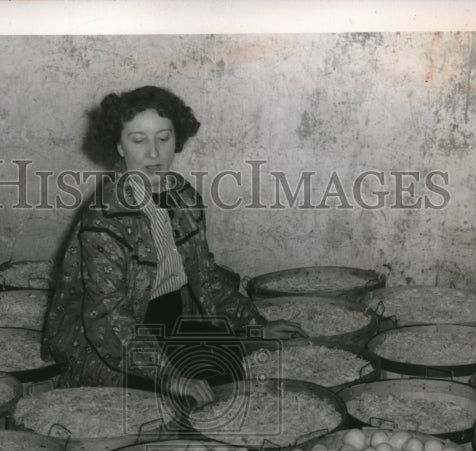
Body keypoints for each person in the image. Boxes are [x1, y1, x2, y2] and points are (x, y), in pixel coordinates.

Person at [42, 85, 305, 409]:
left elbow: (205, 276)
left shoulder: (183, 198)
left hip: (176, 317)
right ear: (119, 146)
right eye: (138, 140)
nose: (153, 153)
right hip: (116, 344)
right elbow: (108, 319)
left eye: (163, 138)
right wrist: (171, 377)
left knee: (230, 381)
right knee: (175, 405)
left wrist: (255, 327)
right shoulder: (105, 219)